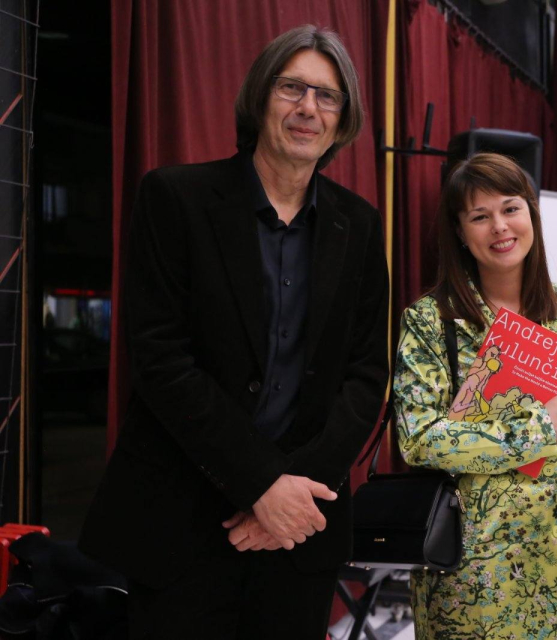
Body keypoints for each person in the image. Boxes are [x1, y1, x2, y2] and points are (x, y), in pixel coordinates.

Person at [79, 25, 389, 639]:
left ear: (343, 119)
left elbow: (366, 376)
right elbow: (162, 359)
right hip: (180, 523)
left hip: (298, 534)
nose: (308, 108)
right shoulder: (176, 197)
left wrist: (293, 499)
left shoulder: (359, 224)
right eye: (292, 88)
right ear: (259, 97)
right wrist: (261, 485)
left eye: (327, 96)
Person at [393, 153, 557, 639]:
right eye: (480, 216)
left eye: (511, 208)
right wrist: (537, 431)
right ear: (460, 231)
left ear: (531, 212)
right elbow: (418, 439)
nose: (500, 227)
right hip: (479, 574)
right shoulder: (432, 321)